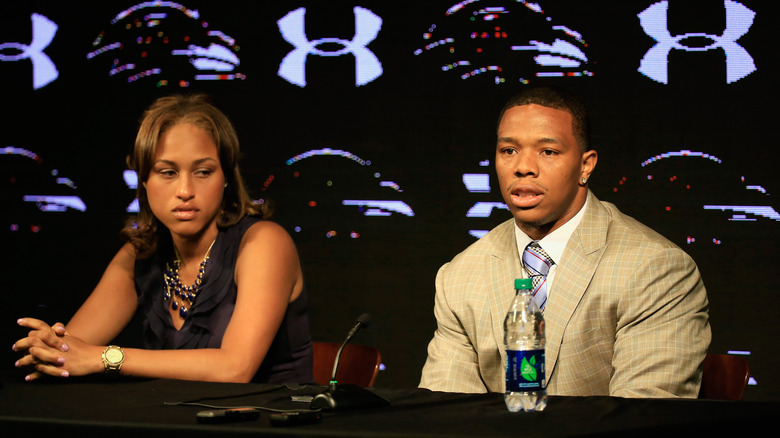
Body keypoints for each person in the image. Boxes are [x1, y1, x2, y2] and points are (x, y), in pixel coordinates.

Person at [419, 86, 711, 398]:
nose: (523, 167)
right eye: (508, 151)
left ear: (585, 165)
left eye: (548, 151)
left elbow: (643, 414)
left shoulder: (654, 268)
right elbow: (446, 409)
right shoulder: (459, 276)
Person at [12, 94, 313, 384]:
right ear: (144, 180)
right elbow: (73, 350)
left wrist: (106, 358)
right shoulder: (140, 253)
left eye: (204, 171)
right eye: (167, 172)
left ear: (225, 178)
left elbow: (235, 369)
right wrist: (49, 347)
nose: (185, 190)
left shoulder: (264, 243)